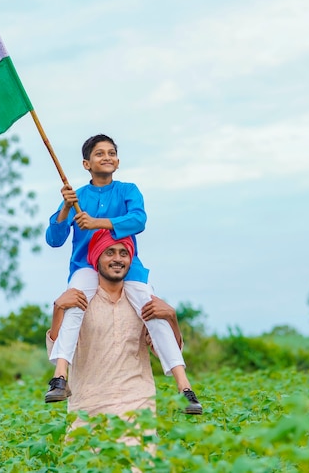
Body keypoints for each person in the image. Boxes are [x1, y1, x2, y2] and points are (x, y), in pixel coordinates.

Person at [45, 134, 201, 412]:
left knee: (153, 311)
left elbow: (138, 220)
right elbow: (54, 239)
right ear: (86, 163)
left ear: (117, 161)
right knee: (75, 306)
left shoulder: (129, 190)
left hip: (127, 269)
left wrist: (96, 223)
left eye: (111, 153)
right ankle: (59, 376)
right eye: (99, 153)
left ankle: (184, 386)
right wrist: (66, 208)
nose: (106, 157)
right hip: (85, 267)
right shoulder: (76, 196)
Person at [45, 230, 203, 419]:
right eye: (109, 252)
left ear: (131, 259)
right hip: (88, 407)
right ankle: (60, 378)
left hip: (137, 405)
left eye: (124, 253)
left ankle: (185, 389)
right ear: (97, 259)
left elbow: (163, 348)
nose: (117, 259)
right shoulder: (80, 300)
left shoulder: (142, 303)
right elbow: (56, 347)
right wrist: (58, 308)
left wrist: (172, 317)